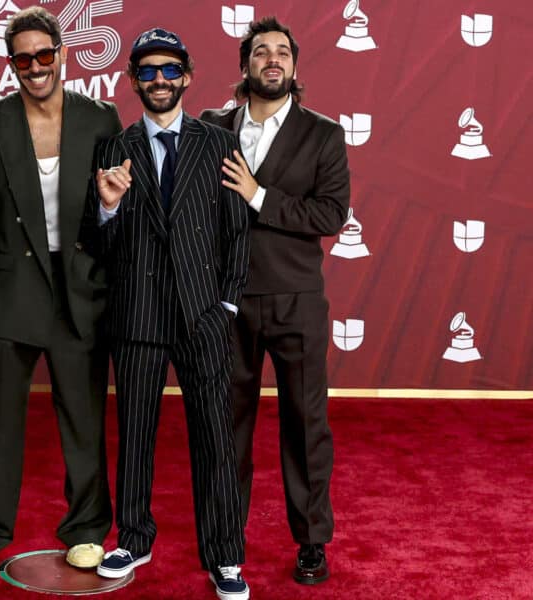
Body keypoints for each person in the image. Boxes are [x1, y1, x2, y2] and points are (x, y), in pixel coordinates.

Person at [0, 6, 122, 573]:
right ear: (12, 65)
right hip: (10, 288)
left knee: (83, 414)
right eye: (23, 58)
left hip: (81, 288)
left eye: (44, 55)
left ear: (63, 55)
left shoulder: (100, 119)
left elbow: (117, 212)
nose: (35, 66)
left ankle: (87, 526)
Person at [87, 27, 251, 600]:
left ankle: (226, 556)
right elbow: (95, 243)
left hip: (203, 316)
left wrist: (224, 304)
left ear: (187, 76)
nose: (158, 80)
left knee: (214, 440)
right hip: (136, 317)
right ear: (132, 80)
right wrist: (106, 210)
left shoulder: (219, 143)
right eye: (147, 71)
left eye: (168, 69)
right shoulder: (113, 147)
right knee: (134, 435)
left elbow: (237, 233)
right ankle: (133, 536)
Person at [199, 16, 350, 585]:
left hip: (296, 301)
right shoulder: (212, 128)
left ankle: (311, 541)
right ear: (245, 65)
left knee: (305, 424)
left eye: (281, 52)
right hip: (227, 303)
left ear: (294, 66)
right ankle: (225, 539)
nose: (271, 60)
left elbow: (330, 215)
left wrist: (259, 195)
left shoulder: (323, 134)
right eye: (260, 51)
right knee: (226, 427)